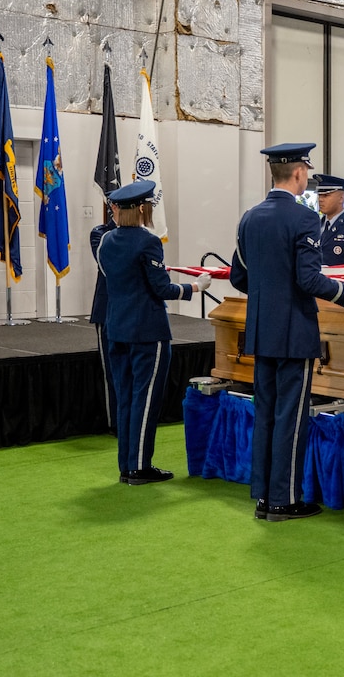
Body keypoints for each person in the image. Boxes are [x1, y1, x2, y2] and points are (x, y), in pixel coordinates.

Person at [230, 143, 344, 522]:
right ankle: (285, 499)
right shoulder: (303, 219)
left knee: (265, 412)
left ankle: (263, 495)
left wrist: (270, 295)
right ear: (298, 173)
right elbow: (309, 278)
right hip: (294, 331)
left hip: (261, 331)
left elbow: (239, 277)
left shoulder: (249, 218)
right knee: (291, 417)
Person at [97, 180, 210, 485]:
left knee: (126, 398)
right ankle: (139, 467)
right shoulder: (148, 242)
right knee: (145, 399)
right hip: (147, 330)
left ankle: (127, 464)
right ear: (143, 209)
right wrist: (194, 287)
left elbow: (116, 280)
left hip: (116, 328)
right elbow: (160, 288)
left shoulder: (105, 242)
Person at [89, 208, 118, 437]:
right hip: (106, 308)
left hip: (130, 311)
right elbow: (109, 264)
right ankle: (114, 421)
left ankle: (128, 419)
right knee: (110, 368)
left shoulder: (141, 234)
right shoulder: (101, 233)